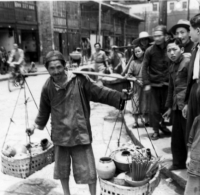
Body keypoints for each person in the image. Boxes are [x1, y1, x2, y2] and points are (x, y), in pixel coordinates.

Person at [26, 50, 128, 195]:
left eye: (58, 67)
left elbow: (99, 92)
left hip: (80, 133)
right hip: (60, 135)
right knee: (62, 171)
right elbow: (43, 111)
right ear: (47, 69)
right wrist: (33, 126)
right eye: (52, 68)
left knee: (89, 171)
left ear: (65, 66)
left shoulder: (79, 80)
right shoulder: (47, 87)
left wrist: (120, 97)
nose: (56, 72)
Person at [163, 38, 190, 170]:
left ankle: (193, 167)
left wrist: (188, 104)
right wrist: (169, 107)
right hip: (176, 107)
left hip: (186, 106)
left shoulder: (188, 63)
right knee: (177, 136)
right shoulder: (172, 66)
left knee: (188, 136)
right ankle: (178, 163)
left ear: (182, 50)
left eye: (175, 49)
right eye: (169, 50)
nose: (172, 53)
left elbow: (192, 85)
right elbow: (171, 88)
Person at [142, 25, 171, 140]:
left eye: (159, 36)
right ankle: (155, 130)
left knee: (166, 108)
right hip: (154, 84)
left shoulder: (170, 48)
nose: (157, 38)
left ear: (165, 36)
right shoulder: (150, 50)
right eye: (155, 36)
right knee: (154, 110)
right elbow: (144, 67)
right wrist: (147, 83)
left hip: (167, 84)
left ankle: (163, 126)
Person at [183, 13, 200, 143]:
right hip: (194, 89)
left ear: (198, 30)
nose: (189, 34)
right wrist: (187, 102)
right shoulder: (195, 49)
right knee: (192, 130)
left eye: (190, 30)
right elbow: (190, 78)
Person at [126, 45, 149, 128]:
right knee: (135, 102)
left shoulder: (147, 62)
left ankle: (147, 121)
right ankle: (136, 122)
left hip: (146, 84)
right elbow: (129, 75)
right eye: (135, 52)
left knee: (146, 102)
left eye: (139, 51)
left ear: (143, 51)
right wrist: (136, 80)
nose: (137, 53)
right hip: (136, 85)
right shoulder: (133, 63)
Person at [185, 114, 200, 195]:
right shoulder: (198, 119)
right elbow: (190, 140)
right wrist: (188, 156)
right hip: (196, 161)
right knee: (192, 190)